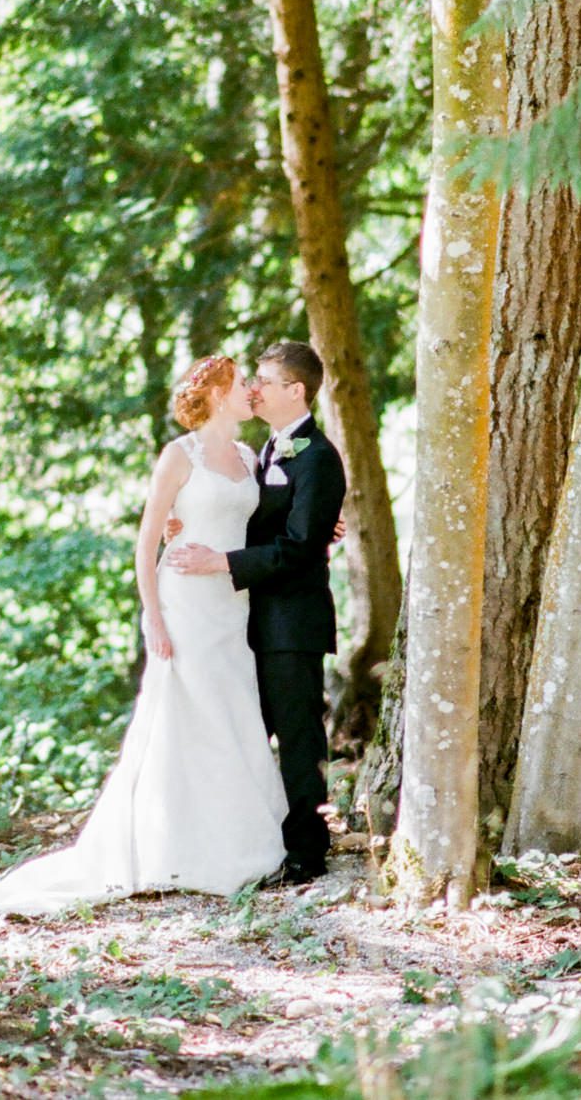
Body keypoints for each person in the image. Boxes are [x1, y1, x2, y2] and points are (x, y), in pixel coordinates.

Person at [0, 356, 286, 916]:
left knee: (231, 707)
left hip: (231, 601)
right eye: (242, 382)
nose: (251, 389)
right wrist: (152, 616)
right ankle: (170, 848)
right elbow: (148, 538)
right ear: (220, 393)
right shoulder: (180, 455)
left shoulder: (249, 457)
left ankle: (237, 843)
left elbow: (261, 523)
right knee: (184, 711)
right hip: (183, 601)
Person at [167, 341, 345, 883]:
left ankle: (309, 854)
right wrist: (184, 526)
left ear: (296, 390)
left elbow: (297, 547)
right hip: (241, 616)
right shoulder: (262, 451)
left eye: (264, 380)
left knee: (297, 737)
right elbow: (248, 517)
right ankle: (248, 840)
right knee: (244, 733)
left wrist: (221, 559)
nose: (253, 389)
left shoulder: (317, 455)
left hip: (291, 622)